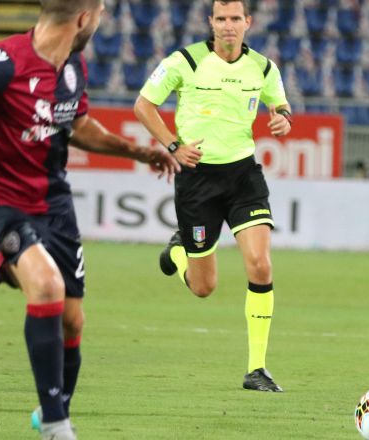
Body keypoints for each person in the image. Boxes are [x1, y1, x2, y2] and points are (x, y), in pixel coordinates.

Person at [0, 1, 178, 439]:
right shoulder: (4, 64)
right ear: (85, 18)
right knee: (46, 284)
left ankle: (51, 410)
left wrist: (137, 151)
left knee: (72, 320)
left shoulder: (71, 68)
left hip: (52, 202)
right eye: (101, 14)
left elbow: (79, 127)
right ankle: (56, 425)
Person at [134, 0, 292, 392]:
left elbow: (281, 104)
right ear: (211, 22)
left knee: (260, 265)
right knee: (204, 288)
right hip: (197, 180)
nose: (228, 26)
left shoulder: (264, 66)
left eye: (235, 18)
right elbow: (143, 105)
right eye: (220, 19)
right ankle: (177, 250)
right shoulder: (184, 61)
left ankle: (257, 369)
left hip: (243, 177)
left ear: (247, 23)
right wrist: (172, 146)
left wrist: (282, 118)